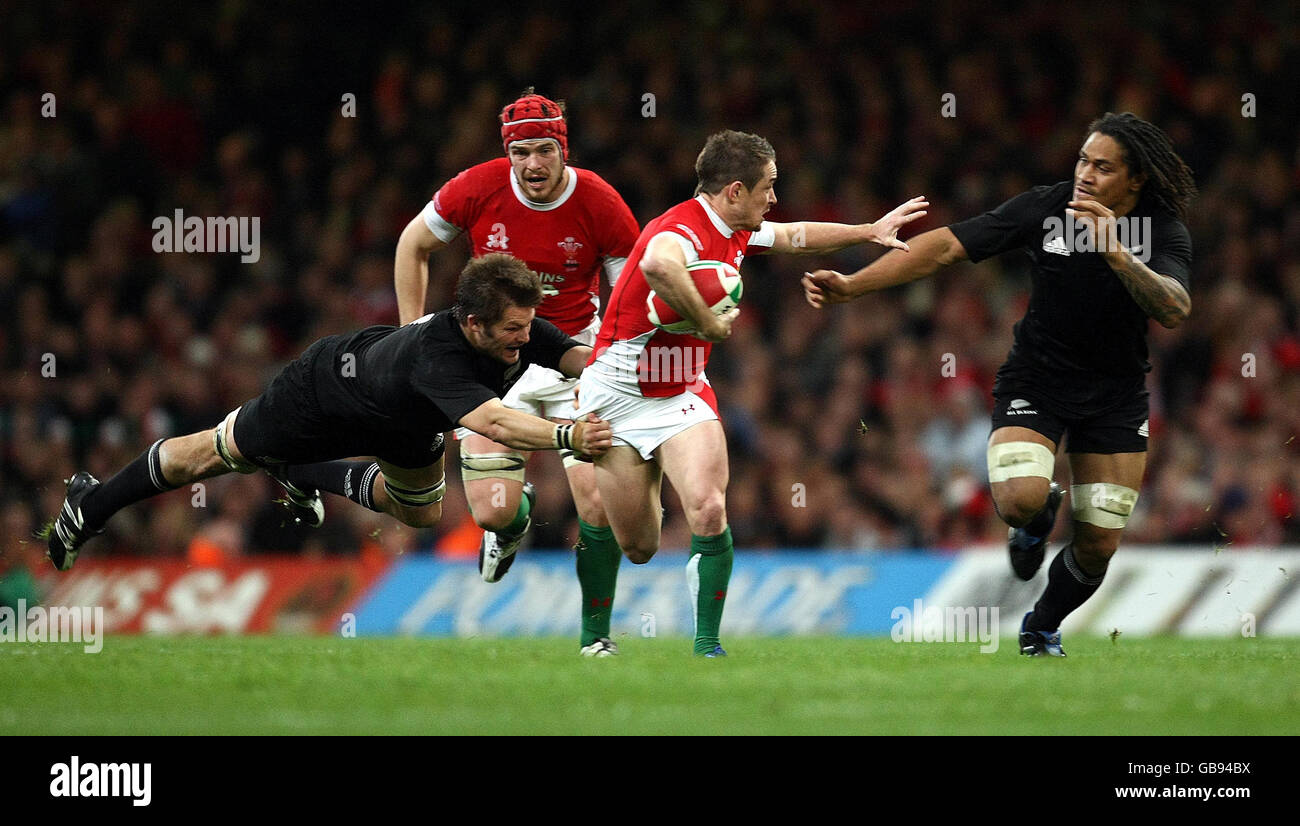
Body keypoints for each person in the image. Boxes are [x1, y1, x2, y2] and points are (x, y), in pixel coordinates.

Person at [804, 112, 1196, 657]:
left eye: (1102, 168)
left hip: (1115, 397)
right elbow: (945, 247)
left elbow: (1175, 308)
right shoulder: (1046, 207)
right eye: (1083, 160)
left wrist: (1116, 252)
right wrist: (853, 285)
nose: (1085, 174)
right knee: (1017, 500)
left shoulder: (1162, 230)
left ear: (1135, 180)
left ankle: (1041, 625)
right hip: (1036, 381)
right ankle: (1035, 519)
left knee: (1099, 544)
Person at [576, 129, 929, 655]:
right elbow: (655, 264)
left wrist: (867, 231)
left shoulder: (739, 227)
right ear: (734, 191)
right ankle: (595, 638)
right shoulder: (679, 230)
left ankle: (707, 647)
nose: (775, 198)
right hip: (617, 396)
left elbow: (796, 236)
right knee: (640, 544)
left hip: (681, 392)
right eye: (769, 186)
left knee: (709, 508)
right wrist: (706, 321)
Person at [44, 255, 613, 570]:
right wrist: (569, 435)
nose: (523, 338)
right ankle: (91, 504)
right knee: (212, 457)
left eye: (525, 325)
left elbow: (571, 354)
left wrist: (619, 368)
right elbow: (493, 423)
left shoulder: (513, 324)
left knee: (419, 515)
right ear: (472, 323)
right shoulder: (438, 358)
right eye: (512, 330)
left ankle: (302, 472)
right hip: (321, 396)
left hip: (402, 422)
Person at [394, 89, 640, 657]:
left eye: (545, 150)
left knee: (594, 503)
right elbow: (413, 244)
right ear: (508, 153)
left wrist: (620, 367)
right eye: (521, 151)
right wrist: (410, 338)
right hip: (493, 361)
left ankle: (595, 639)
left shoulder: (601, 202)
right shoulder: (476, 188)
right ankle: (509, 528)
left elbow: (630, 293)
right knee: (494, 508)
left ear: (563, 149)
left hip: (575, 356)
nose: (533, 164)